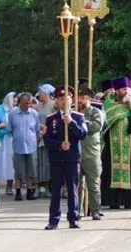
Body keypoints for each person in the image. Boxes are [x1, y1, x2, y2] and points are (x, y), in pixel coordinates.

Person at [43, 85, 87, 229]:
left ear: (71, 99)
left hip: (72, 159)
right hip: (56, 159)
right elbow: (47, 140)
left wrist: (72, 123)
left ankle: (73, 218)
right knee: (55, 189)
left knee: (72, 189)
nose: (63, 101)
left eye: (66, 98)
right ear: (57, 101)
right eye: (61, 99)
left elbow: (82, 134)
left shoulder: (78, 117)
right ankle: (53, 220)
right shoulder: (51, 119)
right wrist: (59, 145)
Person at [103, 77, 131, 209]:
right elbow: (104, 123)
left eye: (128, 89)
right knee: (111, 170)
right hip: (111, 146)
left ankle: (129, 200)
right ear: (116, 91)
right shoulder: (109, 105)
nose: (126, 91)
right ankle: (112, 201)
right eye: (123, 89)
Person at [77, 85, 105, 220]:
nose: (80, 100)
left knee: (93, 184)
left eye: (83, 98)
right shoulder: (73, 112)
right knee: (77, 185)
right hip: (76, 153)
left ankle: (95, 209)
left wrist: (80, 124)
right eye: (79, 98)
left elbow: (95, 127)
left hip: (91, 153)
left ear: (89, 99)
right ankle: (77, 210)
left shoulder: (95, 112)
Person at [9, 92, 41, 200]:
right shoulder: (13, 113)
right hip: (18, 145)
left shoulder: (34, 114)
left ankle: (29, 191)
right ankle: (18, 192)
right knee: (18, 170)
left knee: (31, 170)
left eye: (29, 103)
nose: (27, 105)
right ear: (20, 103)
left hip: (31, 145)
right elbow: (10, 129)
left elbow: (37, 130)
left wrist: (37, 138)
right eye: (25, 103)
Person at [36, 84, 56, 197]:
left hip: (50, 135)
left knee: (48, 161)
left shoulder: (53, 105)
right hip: (39, 136)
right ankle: (39, 186)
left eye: (41, 92)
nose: (39, 95)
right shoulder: (37, 106)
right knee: (39, 161)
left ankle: (49, 186)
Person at [0, 92, 16, 195]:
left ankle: (9, 186)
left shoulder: (15, 110)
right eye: (14, 100)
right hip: (1, 139)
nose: (15, 102)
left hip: (11, 140)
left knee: (10, 164)